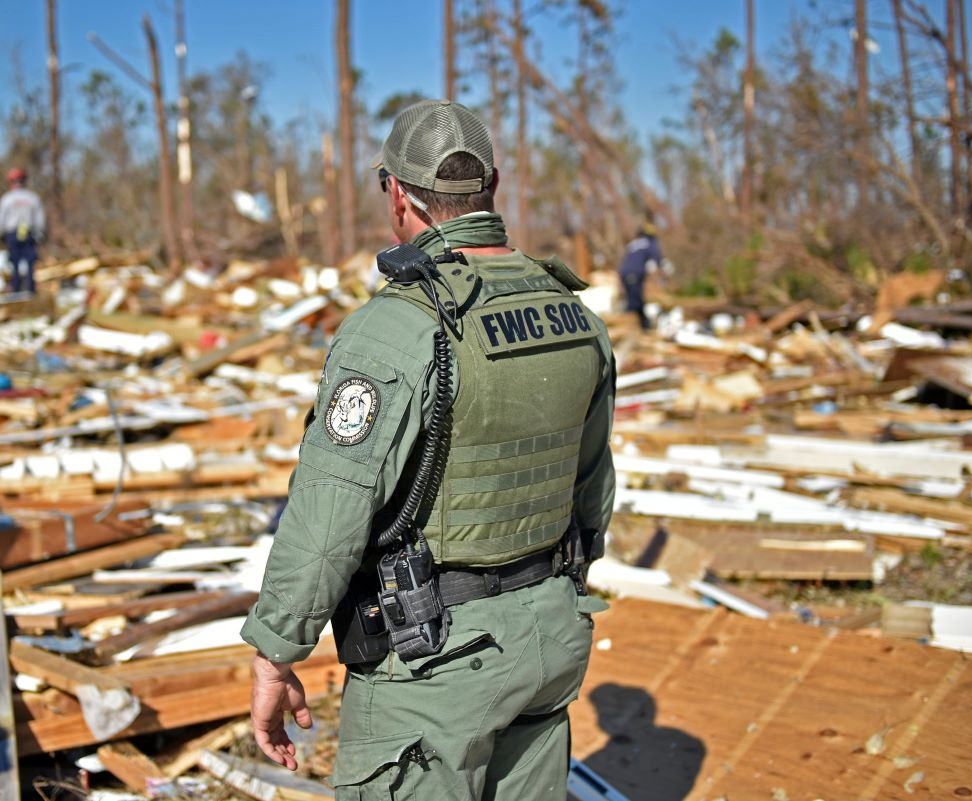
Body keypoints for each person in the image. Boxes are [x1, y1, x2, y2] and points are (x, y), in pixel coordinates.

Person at [240, 99, 616, 801]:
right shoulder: (575, 313)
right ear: (492, 187)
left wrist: (275, 652)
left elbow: (329, 519)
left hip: (435, 664)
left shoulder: (397, 326)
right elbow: (593, 490)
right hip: (550, 632)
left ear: (398, 194)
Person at [0, 167, 46, 294]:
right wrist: (40, 234)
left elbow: (1, 219)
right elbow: (40, 219)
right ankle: (30, 290)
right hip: (29, 234)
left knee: (15, 264)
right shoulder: (33, 198)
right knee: (30, 264)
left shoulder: (6, 198)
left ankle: (16, 290)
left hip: (13, 234)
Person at [618, 225, 661, 330]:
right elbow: (657, 258)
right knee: (635, 303)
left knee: (634, 300)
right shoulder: (649, 243)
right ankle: (633, 327)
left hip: (624, 274)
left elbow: (626, 261)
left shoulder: (633, 244)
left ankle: (643, 326)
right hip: (635, 274)